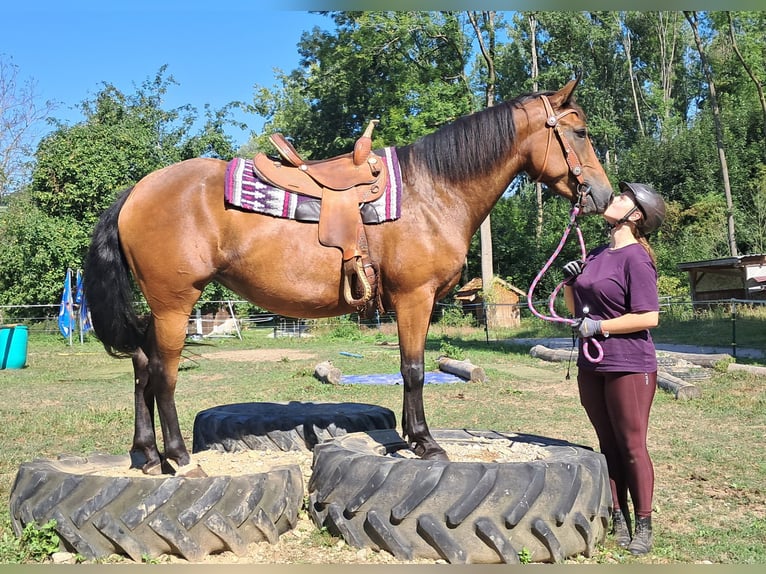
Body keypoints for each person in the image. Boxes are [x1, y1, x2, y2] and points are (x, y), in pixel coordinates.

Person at [562, 181, 666, 556]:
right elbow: (575, 309)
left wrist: (601, 327)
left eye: (623, 197)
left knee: (632, 446)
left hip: (628, 363)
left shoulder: (636, 257)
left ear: (636, 215)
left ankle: (644, 523)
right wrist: (572, 280)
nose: (614, 199)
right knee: (607, 445)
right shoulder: (599, 254)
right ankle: (617, 516)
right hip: (593, 363)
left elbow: (649, 316)